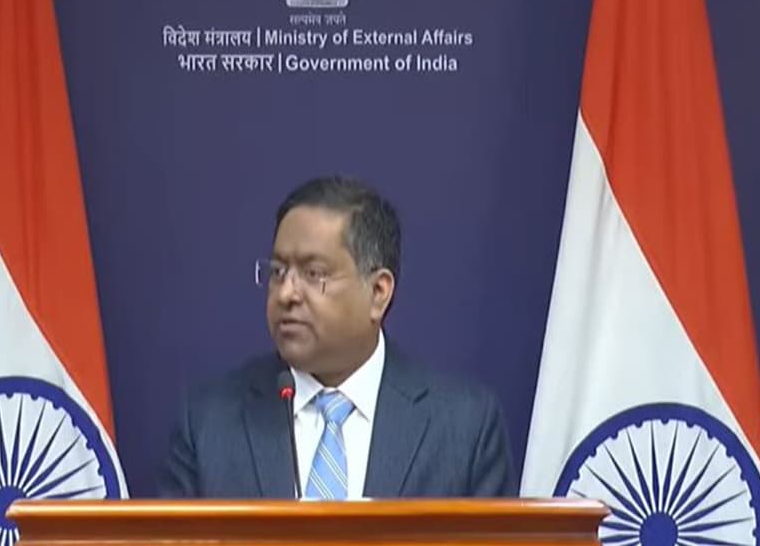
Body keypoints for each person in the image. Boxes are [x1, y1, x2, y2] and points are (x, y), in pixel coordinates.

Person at [157, 175, 516, 499]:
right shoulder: (209, 422)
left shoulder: (464, 427)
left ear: (378, 292)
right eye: (278, 272)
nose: (286, 293)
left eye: (314, 273)